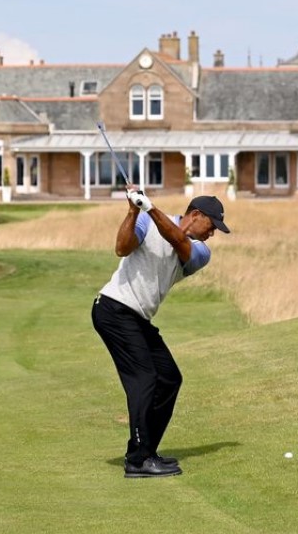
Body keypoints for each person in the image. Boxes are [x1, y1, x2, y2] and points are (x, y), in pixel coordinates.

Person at [92, 191, 231, 478]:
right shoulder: (145, 220)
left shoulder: (200, 252)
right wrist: (133, 211)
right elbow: (121, 248)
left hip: (136, 316)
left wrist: (150, 208)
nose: (213, 233)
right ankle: (137, 460)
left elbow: (178, 241)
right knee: (144, 378)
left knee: (169, 378)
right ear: (196, 215)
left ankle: (147, 452)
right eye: (212, 225)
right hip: (114, 309)